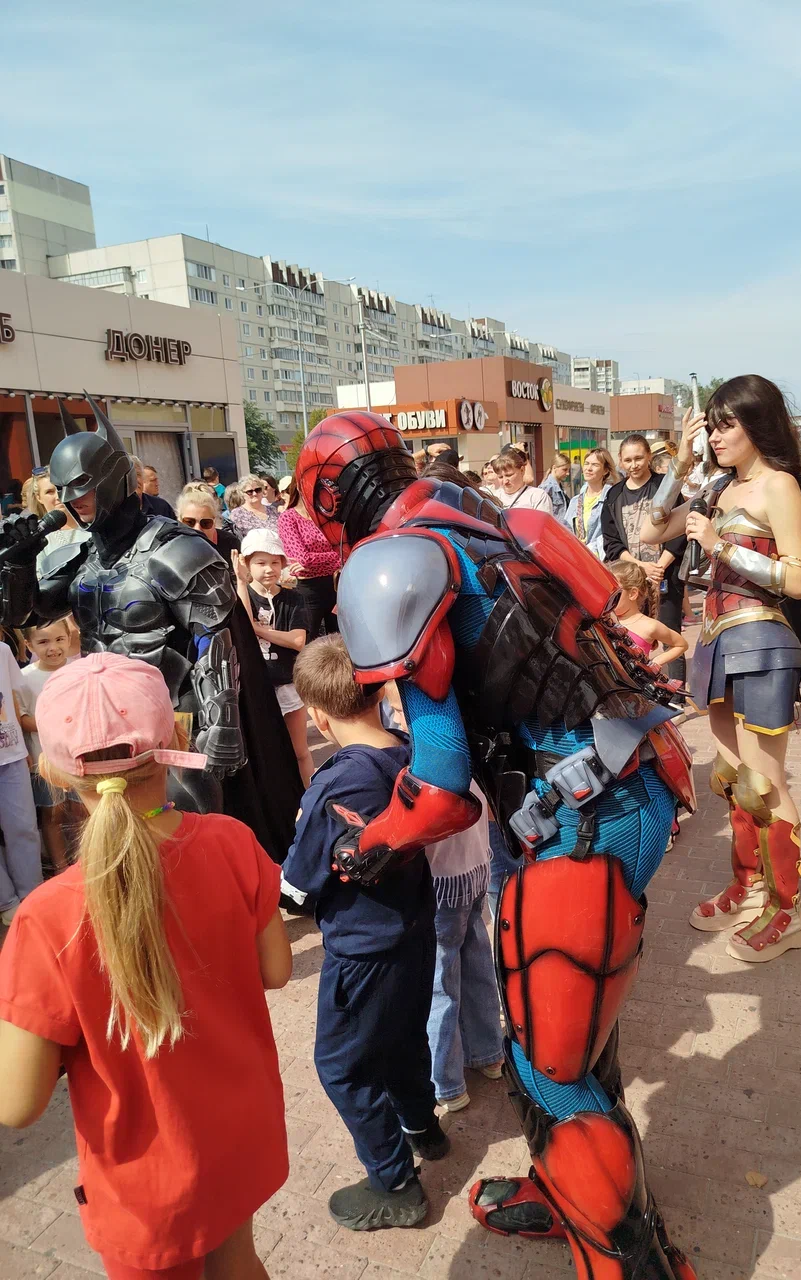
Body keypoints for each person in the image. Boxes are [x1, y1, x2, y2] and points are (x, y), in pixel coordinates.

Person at [294, 409, 697, 1278]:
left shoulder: (396, 561)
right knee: (564, 1033)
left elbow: (440, 788)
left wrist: (370, 846)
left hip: (581, 816)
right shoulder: (487, 517)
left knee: (551, 1063)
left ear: (328, 497)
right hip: (617, 780)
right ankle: (569, 1186)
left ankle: (629, 1261)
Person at [0, 652, 291, 1279]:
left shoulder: (45, 918)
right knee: (239, 1264)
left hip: (147, 1184)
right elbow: (275, 971)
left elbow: (17, 1103)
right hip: (239, 1134)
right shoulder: (233, 842)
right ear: (177, 740)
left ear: (52, 771)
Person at [0, 398, 302, 865]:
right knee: (124, 844)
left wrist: (222, 724)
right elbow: (27, 615)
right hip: (106, 723)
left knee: (191, 845)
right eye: (63, 491)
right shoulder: (87, 557)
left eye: (83, 487)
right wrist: (18, 564)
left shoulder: (175, 548)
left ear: (113, 479)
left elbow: (216, 641)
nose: (72, 501)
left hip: (176, 720)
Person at [639, 377, 801, 963]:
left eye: (726, 425)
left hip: (761, 642)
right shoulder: (718, 486)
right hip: (715, 642)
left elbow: (797, 579)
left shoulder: (779, 485)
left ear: (756, 425)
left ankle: (787, 911)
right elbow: (649, 531)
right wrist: (678, 465)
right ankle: (749, 886)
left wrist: (721, 546)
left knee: (765, 782)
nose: (715, 436)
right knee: (733, 776)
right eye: (710, 427)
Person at [281, 636, 448, 1231]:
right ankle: (423, 1127)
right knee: (402, 1036)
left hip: (361, 947)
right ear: (379, 694)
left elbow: (297, 890)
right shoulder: (410, 751)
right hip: (414, 927)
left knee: (343, 1067)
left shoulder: (334, 784)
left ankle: (394, 1182)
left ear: (318, 716)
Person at [384, 682, 503, 1114]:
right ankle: (489, 1053)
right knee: (476, 961)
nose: (396, 720)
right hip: (476, 871)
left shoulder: (422, 769)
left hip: (442, 885)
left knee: (440, 982)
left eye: (400, 711)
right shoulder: (470, 755)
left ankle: (447, 1082)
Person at [603, 434, 688, 681]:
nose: (634, 465)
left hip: (665, 574)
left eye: (639, 458)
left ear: (649, 456)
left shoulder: (665, 487)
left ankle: (676, 695)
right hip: (629, 579)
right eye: (628, 460)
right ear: (620, 461)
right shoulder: (614, 495)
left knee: (669, 634)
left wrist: (659, 567)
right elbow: (611, 541)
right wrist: (640, 566)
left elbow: (681, 530)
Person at [235, 529, 311, 789]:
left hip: (288, 680)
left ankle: (309, 795)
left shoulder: (293, 598)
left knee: (300, 750)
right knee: (267, 753)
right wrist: (241, 583)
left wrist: (260, 630)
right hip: (257, 685)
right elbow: (244, 625)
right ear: (246, 564)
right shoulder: (241, 595)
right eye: (260, 562)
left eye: (275, 562)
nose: (269, 569)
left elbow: (298, 640)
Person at [18, 619, 77, 874]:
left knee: (82, 809)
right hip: (45, 760)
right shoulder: (24, 679)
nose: (53, 648)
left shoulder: (80, 670)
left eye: (59, 640)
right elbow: (21, 718)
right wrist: (56, 723)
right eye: (43, 642)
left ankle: (84, 862)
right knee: (53, 814)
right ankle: (60, 868)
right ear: (29, 645)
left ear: (69, 639)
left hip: (79, 757)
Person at [0, 636, 42, 926]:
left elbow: (12, 699)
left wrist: (23, 746)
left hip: (11, 755)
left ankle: (33, 896)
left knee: (24, 827)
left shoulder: (3, 651)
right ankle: (6, 900)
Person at [277, 481, 341, 639]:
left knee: (339, 639)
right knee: (308, 640)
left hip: (334, 584)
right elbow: (303, 558)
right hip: (308, 589)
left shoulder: (327, 517)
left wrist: (333, 558)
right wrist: (334, 558)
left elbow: (342, 553)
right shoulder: (288, 518)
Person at [608, 560, 688, 669]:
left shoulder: (649, 626)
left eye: (613, 592)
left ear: (632, 594)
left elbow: (680, 644)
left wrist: (654, 663)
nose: (607, 597)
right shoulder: (604, 619)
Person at [24, 466, 91, 575]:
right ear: (39, 497)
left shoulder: (93, 526)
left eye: (60, 489)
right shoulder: (36, 535)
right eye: (49, 492)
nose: (58, 496)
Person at [564, 447, 617, 557]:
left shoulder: (612, 498)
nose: (589, 468)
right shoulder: (575, 501)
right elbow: (566, 531)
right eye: (586, 463)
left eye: (595, 465)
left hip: (603, 560)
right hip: (579, 559)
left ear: (605, 470)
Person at [177, 485, 242, 564]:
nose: (197, 529)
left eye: (205, 523)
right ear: (179, 521)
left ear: (214, 522)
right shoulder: (170, 550)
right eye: (189, 522)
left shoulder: (230, 544)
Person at [490, 446, 553, 512]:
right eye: (500, 477)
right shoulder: (493, 499)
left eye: (509, 475)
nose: (505, 481)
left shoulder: (538, 496)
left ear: (522, 470)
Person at [539, 453, 571, 519]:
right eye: (564, 470)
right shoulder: (547, 487)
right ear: (554, 467)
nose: (568, 473)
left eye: (568, 470)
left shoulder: (559, 486)